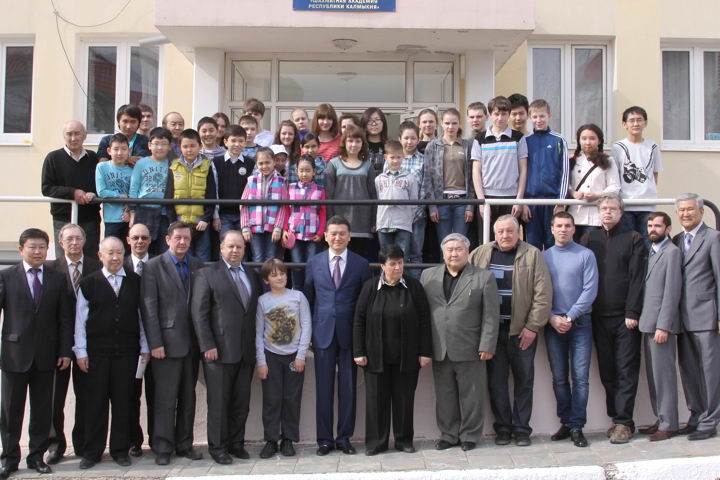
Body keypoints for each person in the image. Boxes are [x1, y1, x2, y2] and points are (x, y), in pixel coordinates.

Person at [468, 215, 552, 446]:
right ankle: (503, 429)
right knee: (496, 383)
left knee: (524, 381)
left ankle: (522, 430)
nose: (505, 235)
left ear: (518, 233)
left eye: (510, 231)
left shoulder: (533, 254)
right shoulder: (480, 254)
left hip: (522, 332)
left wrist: (532, 326)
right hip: (492, 333)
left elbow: (543, 293)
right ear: (495, 233)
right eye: (501, 231)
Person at [0, 228, 72, 479]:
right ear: (21, 250)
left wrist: (65, 351)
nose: (38, 251)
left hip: (46, 355)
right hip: (14, 354)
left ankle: (36, 457)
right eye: (32, 247)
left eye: (42, 247)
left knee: (42, 411)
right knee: (10, 411)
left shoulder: (57, 278)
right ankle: (9, 459)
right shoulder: (6, 276)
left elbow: (64, 319)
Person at [73, 237, 150, 469]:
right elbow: (80, 321)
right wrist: (81, 352)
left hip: (127, 353)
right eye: (110, 253)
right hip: (96, 354)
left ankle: (120, 450)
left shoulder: (136, 281)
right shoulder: (89, 283)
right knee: (95, 403)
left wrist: (145, 347)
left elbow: (142, 318)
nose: (115, 257)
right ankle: (92, 452)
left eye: (119, 253)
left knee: (123, 402)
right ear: (100, 256)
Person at [421, 233, 499, 452]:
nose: (454, 253)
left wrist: (487, 344)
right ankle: (448, 435)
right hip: (439, 347)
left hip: (471, 347)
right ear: (443, 252)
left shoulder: (484, 277)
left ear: (467, 252)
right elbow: (422, 313)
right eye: (450, 249)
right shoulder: (428, 276)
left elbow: (491, 315)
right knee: (444, 396)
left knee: (472, 395)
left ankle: (470, 435)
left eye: (459, 249)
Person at [353, 244, 432, 455]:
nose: (397, 267)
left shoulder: (414, 287)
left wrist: (425, 352)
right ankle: (376, 443)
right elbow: (359, 320)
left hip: (407, 357)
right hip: (375, 357)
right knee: (375, 402)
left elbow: (425, 320)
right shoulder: (370, 288)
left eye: (400, 263)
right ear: (382, 266)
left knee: (404, 401)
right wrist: (358, 351)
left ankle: (403, 441)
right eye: (392, 264)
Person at [580, 193, 646, 444]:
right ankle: (616, 419)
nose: (607, 212)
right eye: (604, 208)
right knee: (607, 371)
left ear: (621, 213)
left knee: (626, 369)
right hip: (598, 316)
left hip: (625, 318)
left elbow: (638, 278)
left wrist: (632, 312)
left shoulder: (633, 238)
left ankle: (624, 422)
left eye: (612, 209)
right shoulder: (590, 238)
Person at [191, 230, 261, 464]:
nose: (235, 250)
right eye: (230, 246)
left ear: (244, 249)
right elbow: (199, 313)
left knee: (241, 402)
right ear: (221, 248)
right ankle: (218, 448)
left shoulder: (252, 275)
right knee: (219, 403)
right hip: (218, 352)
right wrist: (207, 345)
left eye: (239, 247)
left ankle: (236, 444)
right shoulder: (207, 274)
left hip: (246, 351)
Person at [304, 216, 372, 456]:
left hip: (349, 335)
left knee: (348, 389)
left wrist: (362, 338)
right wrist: (309, 333)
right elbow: (308, 298)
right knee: (323, 389)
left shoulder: (361, 264)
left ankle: (344, 438)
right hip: (322, 333)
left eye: (342, 233)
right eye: (333, 233)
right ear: (325, 236)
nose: (337, 237)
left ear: (349, 236)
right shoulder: (314, 262)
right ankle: (324, 440)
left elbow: (365, 303)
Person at [141, 221, 204, 465]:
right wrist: (155, 342)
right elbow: (149, 307)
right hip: (165, 345)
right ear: (168, 239)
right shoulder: (153, 266)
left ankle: (184, 444)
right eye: (177, 237)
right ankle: (163, 447)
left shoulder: (197, 265)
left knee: (188, 398)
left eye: (186, 238)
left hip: (192, 344)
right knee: (165, 399)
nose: (182, 242)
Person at [44, 224, 102, 465]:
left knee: (87, 396)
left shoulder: (96, 266)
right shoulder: (50, 268)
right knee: (54, 398)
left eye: (78, 238)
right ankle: (55, 445)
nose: (74, 243)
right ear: (61, 243)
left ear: (85, 241)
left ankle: (83, 442)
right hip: (57, 344)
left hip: (88, 344)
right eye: (69, 239)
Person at [542, 212, 598, 448]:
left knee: (580, 378)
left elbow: (590, 290)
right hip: (553, 325)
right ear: (552, 229)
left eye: (567, 225)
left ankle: (577, 426)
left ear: (574, 229)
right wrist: (552, 318)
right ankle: (566, 421)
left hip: (580, 324)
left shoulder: (586, 255)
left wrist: (569, 316)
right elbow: (538, 292)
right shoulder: (544, 257)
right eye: (559, 226)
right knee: (559, 378)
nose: (563, 229)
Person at [672, 193, 720, 440]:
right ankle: (696, 415)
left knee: (710, 373)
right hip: (682, 319)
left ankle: (710, 421)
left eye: (690, 209)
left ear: (701, 211)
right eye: (681, 210)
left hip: (706, 317)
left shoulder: (713, 238)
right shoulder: (677, 240)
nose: (685, 214)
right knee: (689, 370)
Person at [255, 259, 311, 459]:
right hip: (271, 356)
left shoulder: (298, 297)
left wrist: (301, 355)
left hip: (293, 356)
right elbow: (258, 333)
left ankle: (288, 439)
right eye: (274, 275)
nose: (279, 277)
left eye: (282, 273)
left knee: (291, 399)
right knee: (272, 399)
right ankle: (271, 440)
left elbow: (306, 326)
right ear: (266, 280)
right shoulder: (263, 301)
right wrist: (261, 362)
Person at [637, 212, 682, 441]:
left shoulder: (672, 252)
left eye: (657, 225)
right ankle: (661, 418)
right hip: (648, 323)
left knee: (664, 376)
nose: (652, 229)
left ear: (668, 228)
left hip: (660, 326)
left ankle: (669, 423)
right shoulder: (652, 251)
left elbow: (672, 291)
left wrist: (663, 326)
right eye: (650, 225)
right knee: (654, 377)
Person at [471, 96, 528, 241]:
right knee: (487, 241)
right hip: (487, 198)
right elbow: (476, 171)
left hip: (511, 198)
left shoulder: (518, 138)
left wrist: (519, 200)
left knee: (510, 239)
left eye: (504, 114)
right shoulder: (480, 139)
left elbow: (523, 170)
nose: (500, 118)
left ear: (508, 115)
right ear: (490, 115)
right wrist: (481, 201)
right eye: (496, 114)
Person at [41, 120, 100, 258]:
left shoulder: (93, 158)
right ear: (64, 136)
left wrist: (94, 194)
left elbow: (101, 185)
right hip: (63, 219)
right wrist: (73, 193)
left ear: (84, 135)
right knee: (64, 261)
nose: (73, 138)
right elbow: (47, 188)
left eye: (77, 133)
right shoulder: (53, 158)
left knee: (90, 261)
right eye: (69, 134)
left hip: (90, 219)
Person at [123, 223, 154, 456]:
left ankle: (157, 440)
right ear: (128, 240)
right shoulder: (119, 264)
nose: (140, 241)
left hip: (158, 342)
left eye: (144, 237)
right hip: (129, 341)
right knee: (130, 395)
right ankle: (134, 440)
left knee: (157, 395)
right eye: (136, 237)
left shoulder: (159, 265)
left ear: (150, 240)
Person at [611, 106, 662, 247]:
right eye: (631, 120)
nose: (635, 124)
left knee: (648, 243)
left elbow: (655, 174)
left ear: (645, 123)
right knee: (628, 244)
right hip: (626, 204)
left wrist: (648, 191)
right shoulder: (618, 147)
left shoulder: (653, 146)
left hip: (647, 204)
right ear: (624, 124)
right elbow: (615, 174)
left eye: (639, 120)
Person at [324, 125, 378, 258]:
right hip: (339, 221)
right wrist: (330, 220)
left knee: (359, 259)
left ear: (363, 143)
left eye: (358, 141)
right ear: (344, 142)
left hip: (362, 221)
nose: (354, 144)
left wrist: (373, 220)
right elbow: (328, 195)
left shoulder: (368, 165)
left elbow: (373, 195)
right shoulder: (333, 164)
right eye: (350, 140)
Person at [522, 99, 569, 250]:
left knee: (553, 244)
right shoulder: (525, 141)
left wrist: (561, 201)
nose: (539, 120)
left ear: (549, 116)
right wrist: (523, 202)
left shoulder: (559, 140)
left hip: (552, 202)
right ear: (530, 118)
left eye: (542, 116)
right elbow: (520, 173)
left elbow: (565, 172)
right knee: (532, 246)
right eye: (535, 117)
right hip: (531, 203)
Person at [164, 128, 217, 262]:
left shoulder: (206, 166)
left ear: (200, 146)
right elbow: (168, 196)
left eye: (193, 146)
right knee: (183, 257)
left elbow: (211, 194)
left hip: (200, 222)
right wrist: (172, 221)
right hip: (180, 221)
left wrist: (206, 219)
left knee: (202, 258)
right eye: (185, 146)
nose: (189, 150)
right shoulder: (174, 166)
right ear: (180, 148)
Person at [425, 108, 475, 242]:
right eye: (447, 123)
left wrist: (470, 205)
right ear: (441, 123)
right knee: (444, 243)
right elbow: (427, 177)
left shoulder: (468, 146)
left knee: (461, 243)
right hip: (441, 201)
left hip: (462, 201)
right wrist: (432, 206)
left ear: (460, 124)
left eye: (454, 123)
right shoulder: (433, 146)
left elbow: (472, 177)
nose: (450, 127)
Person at [567, 124, 621, 241]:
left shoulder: (608, 160)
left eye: (592, 138)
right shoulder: (571, 160)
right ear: (579, 140)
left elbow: (614, 186)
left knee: (594, 247)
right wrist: (573, 193)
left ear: (599, 141)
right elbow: (565, 184)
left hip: (596, 215)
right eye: (584, 138)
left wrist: (597, 196)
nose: (588, 142)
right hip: (574, 213)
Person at [240, 147, 289, 263]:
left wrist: (278, 228)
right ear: (256, 164)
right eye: (261, 163)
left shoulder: (281, 181)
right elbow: (243, 204)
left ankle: (269, 277)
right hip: (255, 227)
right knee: (257, 258)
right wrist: (245, 227)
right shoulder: (251, 181)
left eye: (267, 162)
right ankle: (257, 277)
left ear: (274, 162)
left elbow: (283, 207)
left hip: (273, 228)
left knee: (271, 258)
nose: (264, 166)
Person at [285, 155, 326, 291]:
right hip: (294, 233)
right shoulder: (290, 188)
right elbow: (286, 210)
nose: (304, 174)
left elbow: (323, 212)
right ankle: (297, 291)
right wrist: (285, 229)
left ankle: (309, 294)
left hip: (312, 233)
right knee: (296, 265)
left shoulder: (320, 190)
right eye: (301, 170)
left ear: (314, 172)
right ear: (296, 171)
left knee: (311, 265)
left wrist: (320, 232)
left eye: (308, 170)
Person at [129, 127, 173, 255]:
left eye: (164, 144)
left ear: (169, 147)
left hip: (163, 212)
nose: (160, 147)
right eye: (156, 144)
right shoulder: (141, 163)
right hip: (143, 210)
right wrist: (132, 212)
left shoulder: (172, 164)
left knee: (163, 248)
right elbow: (134, 188)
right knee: (144, 247)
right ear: (149, 145)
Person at [375, 140, 419, 261]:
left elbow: (414, 201)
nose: (395, 160)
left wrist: (408, 218)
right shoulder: (379, 179)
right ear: (385, 157)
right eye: (392, 157)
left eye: (399, 157)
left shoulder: (410, 178)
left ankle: (402, 274)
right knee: (385, 256)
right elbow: (378, 198)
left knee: (402, 255)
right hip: (384, 222)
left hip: (403, 223)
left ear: (403, 157)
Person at [396, 121, 430, 274]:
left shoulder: (423, 159)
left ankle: (415, 285)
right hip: (397, 215)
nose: (409, 142)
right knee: (399, 254)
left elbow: (425, 186)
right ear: (400, 139)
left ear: (418, 139)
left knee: (416, 253)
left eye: (413, 138)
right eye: (406, 138)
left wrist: (416, 209)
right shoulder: (393, 160)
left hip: (418, 214)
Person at [212, 125, 253, 237]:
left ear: (245, 143)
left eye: (241, 141)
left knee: (242, 243)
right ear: (225, 142)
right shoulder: (216, 162)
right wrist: (215, 216)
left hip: (244, 215)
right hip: (223, 215)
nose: (237, 144)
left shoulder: (250, 163)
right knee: (226, 242)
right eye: (233, 141)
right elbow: (214, 189)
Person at [96, 133, 133, 244]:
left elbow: (134, 194)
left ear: (129, 151)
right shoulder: (102, 167)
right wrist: (120, 195)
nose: (119, 153)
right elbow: (102, 192)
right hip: (111, 219)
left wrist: (129, 211)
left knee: (128, 250)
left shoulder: (132, 170)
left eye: (123, 149)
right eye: (116, 149)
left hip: (129, 218)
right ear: (109, 151)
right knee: (111, 247)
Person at [361, 107, 388, 173]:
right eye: (369, 120)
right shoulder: (360, 145)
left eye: (377, 120)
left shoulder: (389, 145)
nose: (374, 124)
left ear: (383, 122)